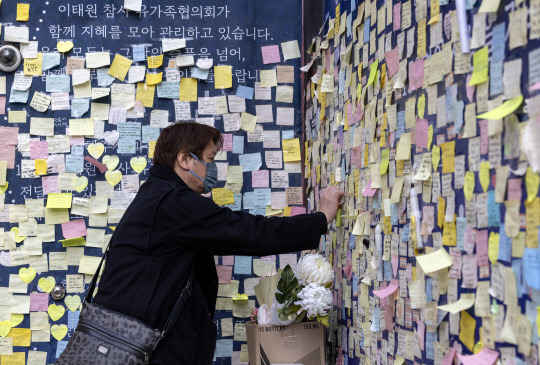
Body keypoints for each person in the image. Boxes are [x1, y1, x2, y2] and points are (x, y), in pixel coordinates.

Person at [93, 122, 344, 364]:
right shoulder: (175, 202)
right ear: (184, 159)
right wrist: (319, 220)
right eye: (210, 160)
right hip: (149, 349)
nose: (213, 170)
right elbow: (247, 232)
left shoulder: (155, 194)